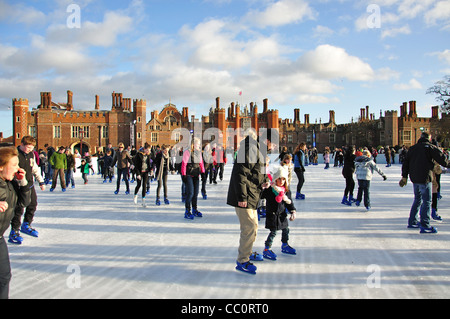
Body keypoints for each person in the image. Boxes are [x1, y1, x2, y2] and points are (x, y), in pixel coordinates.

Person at [227, 128, 277, 275]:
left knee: (253, 227)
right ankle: (242, 261)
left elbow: (258, 172)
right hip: (244, 196)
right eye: (273, 144)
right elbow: (240, 173)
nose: (274, 147)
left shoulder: (259, 150)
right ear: (268, 141)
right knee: (249, 227)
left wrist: (266, 180)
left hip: (252, 194)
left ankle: (247, 252)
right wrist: (242, 197)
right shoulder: (251, 148)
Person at [400, 132, 450, 233]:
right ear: (429, 138)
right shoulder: (430, 147)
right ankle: (425, 224)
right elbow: (442, 159)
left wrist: (404, 176)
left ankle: (412, 221)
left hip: (414, 178)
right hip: (425, 178)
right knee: (427, 201)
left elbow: (406, 163)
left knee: (417, 200)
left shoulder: (413, 148)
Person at [0, 147, 31, 299]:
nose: (18, 168)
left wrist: (22, 182)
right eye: (13, 165)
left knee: (4, 277)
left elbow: (23, 203)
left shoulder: (10, 183)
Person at [9, 136, 45, 245]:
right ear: (22, 145)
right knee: (19, 208)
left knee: (32, 205)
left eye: (32, 147)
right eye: (28, 147)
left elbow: (34, 168)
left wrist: (41, 181)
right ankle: (14, 231)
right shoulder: (15, 154)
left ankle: (26, 224)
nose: (30, 149)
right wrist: (22, 182)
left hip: (29, 183)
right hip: (17, 185)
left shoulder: (31, 154)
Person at [260, 165, 297, 261]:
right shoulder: (271, 189)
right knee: (273, 233)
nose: (281, 181)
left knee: (286, 230)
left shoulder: (286, 191)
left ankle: (285, 245)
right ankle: (267, 248)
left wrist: (293, 211)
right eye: (279, 179)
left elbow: (289, 202)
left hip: (282, 215)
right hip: (272, 215)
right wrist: (264, 187)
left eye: (283, 180)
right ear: (276, 179)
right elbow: (261, 195)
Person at [181, 137, 205, 219]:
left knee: (195, 193)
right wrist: (183, 175)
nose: (199, 145)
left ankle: (194, 209)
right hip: (188, 175)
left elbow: (201, 163)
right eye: (198, 144)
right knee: (190, 193)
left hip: (196, 175)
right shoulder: (187, 152)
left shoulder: (198, 152)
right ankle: (187, 211)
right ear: (193, 144)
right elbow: (184, 164)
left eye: (199, 144)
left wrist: (203, 172)